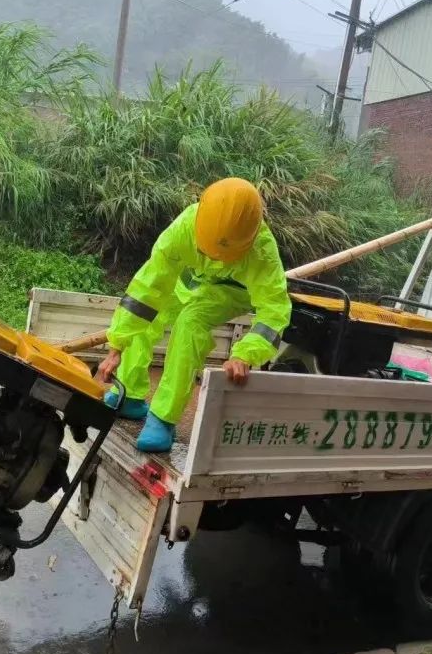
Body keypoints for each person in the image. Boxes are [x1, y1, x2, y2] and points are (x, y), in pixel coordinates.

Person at [96, 177, 292, 453]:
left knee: (190, 322)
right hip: (191, 280)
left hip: (229, 291)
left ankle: (164, 417)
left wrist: (245, 353)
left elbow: (274, 311)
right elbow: (146, 290)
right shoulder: (183, 229)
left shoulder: (262, 252)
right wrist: (116, 345)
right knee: (150, 313)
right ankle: (129, 394)